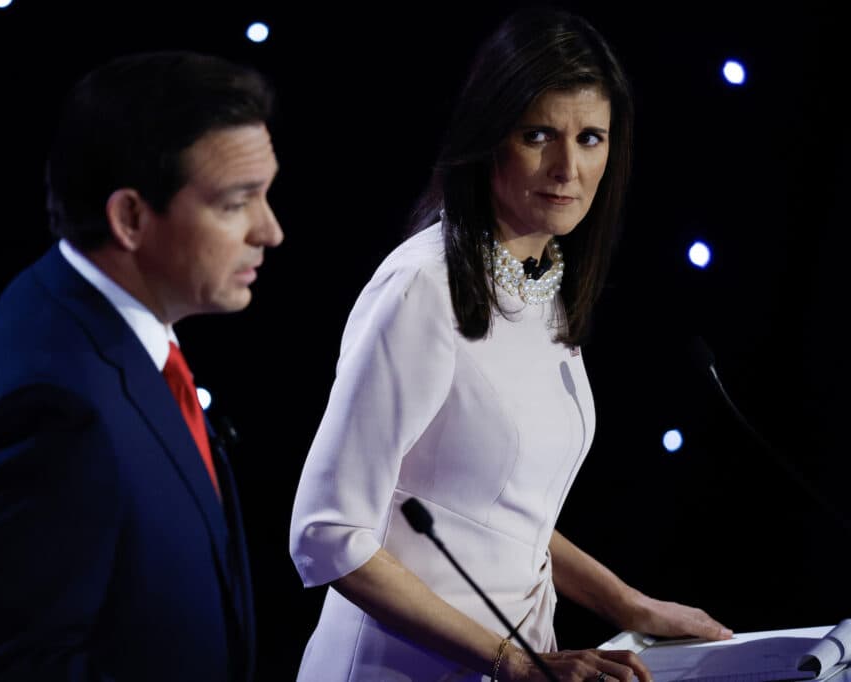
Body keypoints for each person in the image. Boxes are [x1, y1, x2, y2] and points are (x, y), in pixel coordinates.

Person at [289, 7, 731, 681]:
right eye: (537, 135)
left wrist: (628, 604)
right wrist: (512, 663)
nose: (567, 168)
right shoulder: (420, 289)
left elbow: (493, 511)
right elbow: (328, 535)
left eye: (590, 138)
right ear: (489, 136)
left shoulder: (541, 282)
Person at [0, 50, 282, 681]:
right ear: (130, 217)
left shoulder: (104, 333)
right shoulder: (44, 411)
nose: (269, 230)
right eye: (236, 203)